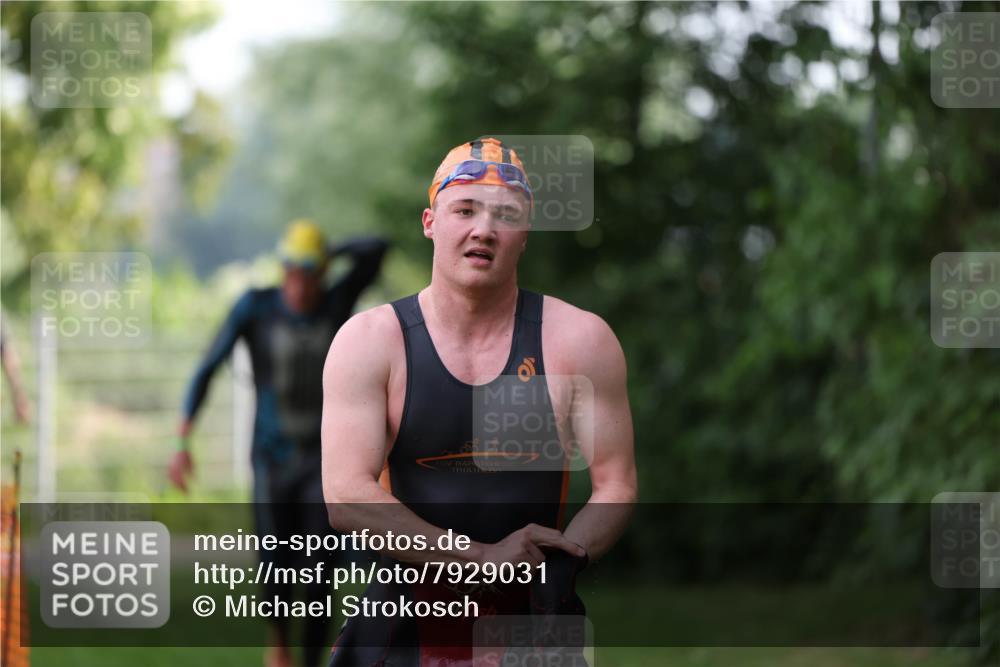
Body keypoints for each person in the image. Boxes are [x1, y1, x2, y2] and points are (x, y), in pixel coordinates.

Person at [321, 138, 637, 665]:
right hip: (403, 629)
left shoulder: (579, 340)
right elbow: (346, 496)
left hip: (532, 623)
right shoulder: (372, 341)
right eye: (464, 209)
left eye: (505, 215)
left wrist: (564, 561)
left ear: (525, 234)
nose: (483, 229)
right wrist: (480, 560)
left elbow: (617, 483)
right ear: (430, 222)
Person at [169, 220, 388, 667]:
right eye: (290, 269)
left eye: (308, 271)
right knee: (275, 557)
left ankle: (310, 659)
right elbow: (208, 366)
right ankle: (278, 646)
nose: (298, 282)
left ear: (322, 274)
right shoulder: (256, 306)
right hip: (272, 457)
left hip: (322, 461)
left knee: (321, 566)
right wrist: (183, 440)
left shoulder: (336, 302)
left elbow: (376, 248)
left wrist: (332, 248)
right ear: (280, 268)